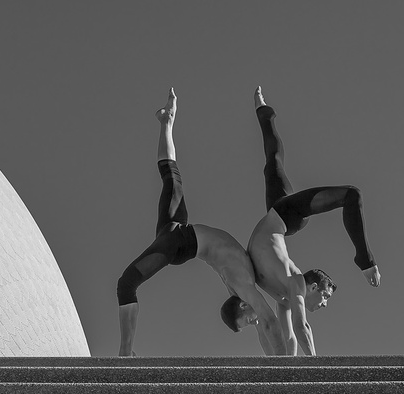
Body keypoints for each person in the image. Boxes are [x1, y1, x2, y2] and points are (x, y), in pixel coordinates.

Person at [117, 88, 286, 357]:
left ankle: (167, 122)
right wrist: (284, 369)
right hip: (179, 241)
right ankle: (126, 351)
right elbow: (269, 322)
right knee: (126, 283)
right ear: (242, 306)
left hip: (179, 238)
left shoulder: (240, 285)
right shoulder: (242, 286)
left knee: (171, 177)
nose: (254, 322)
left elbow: (263, 326)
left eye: (247, 323)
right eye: (249, 321)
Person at [247, 86, 381, 356]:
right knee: (351, 195)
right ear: (313, 286)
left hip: (278, 216)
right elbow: (302, 325)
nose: (325, 304)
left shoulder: (283, 296)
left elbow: (290, 336)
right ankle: (365, 261)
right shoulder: (295, 281)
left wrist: (289, 367)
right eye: (326, 296)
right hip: (288, 216)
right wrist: (316, 366)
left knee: (273, 163)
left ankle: (264, 112)